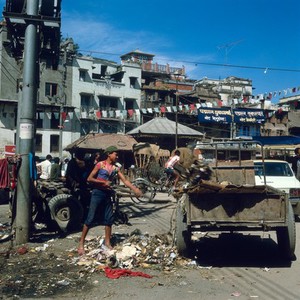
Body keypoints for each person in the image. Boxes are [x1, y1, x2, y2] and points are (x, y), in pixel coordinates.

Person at [78, 146, 142, 255]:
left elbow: (125, 180)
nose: (117, 156)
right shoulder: (100, 165)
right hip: (97, 193)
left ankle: (107, 243)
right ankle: (81, 244)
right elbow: (89, 178)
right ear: (109, 154)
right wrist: (103, 182)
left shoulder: (115, 168)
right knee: (90, 218)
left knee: (109, 219)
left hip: (107, 194)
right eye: (115, 154)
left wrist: (135, 189)